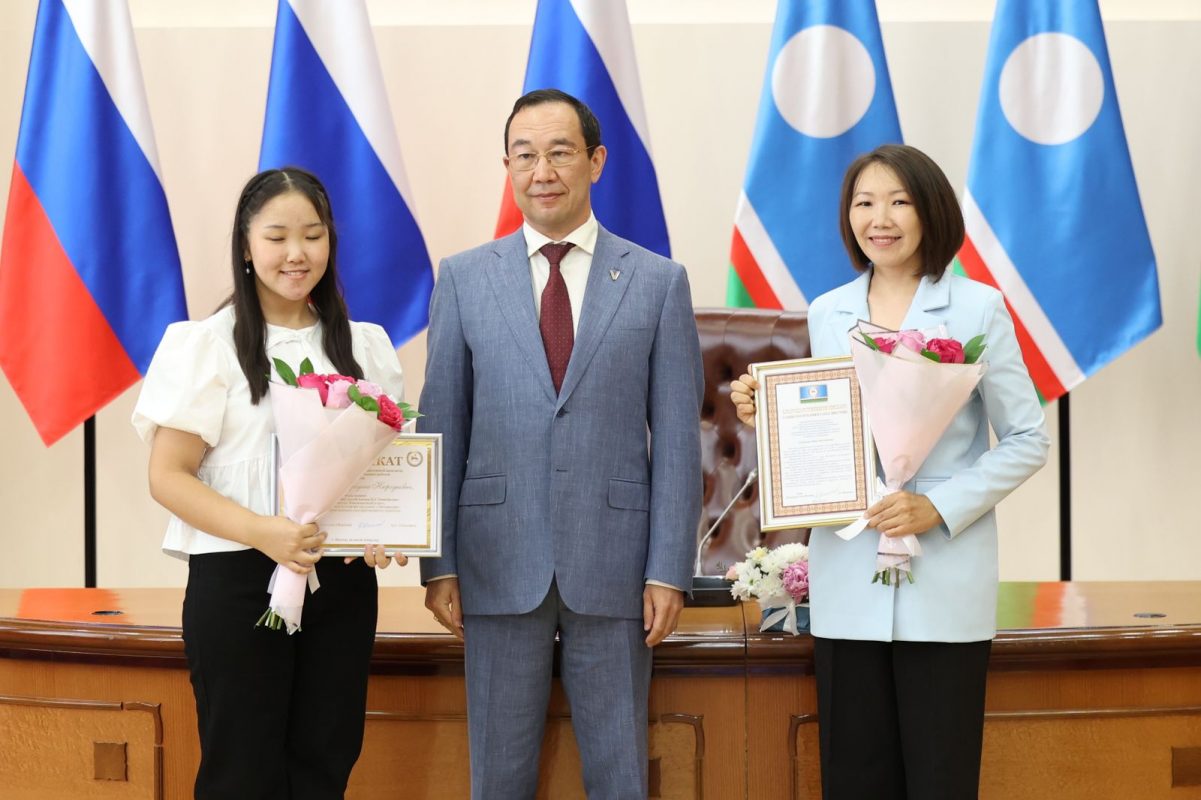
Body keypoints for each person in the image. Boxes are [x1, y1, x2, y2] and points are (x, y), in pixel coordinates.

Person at [730, 144, 1049, 799]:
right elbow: (827, 432)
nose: (881, 218)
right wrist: (768, 415)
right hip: (848, 572)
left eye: (899, 201)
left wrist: (939, 507)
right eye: (864, 202)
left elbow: (1026, 438)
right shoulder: (826, 311)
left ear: (930, 211)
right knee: (854, 775)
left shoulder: (977, 308)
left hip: (944, 573)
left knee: (940, 774)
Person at [418, 88, 703, 799]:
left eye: (559, 152)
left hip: (615, 566)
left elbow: (674, 437)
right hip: (493, 562)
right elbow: (440, 424)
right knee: (498, 778)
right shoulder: (462, 278)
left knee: (617, 775)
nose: (541, 170)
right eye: (524, 155)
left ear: (596, 161)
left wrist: (669, 569)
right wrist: (437, 563)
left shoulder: (656, 282)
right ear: (508, 167)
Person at [132, 167, 406, 799]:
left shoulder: (364, 347)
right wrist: (265, 534)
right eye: (277, 236)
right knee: (241, 771)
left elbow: (382, 477)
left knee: (325, 763)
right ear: (246, 246)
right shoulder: (205, 345)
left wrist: (387, 535)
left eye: (312, 235)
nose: (296, 253)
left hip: (340, 582)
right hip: (237, 579)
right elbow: (167, 477)